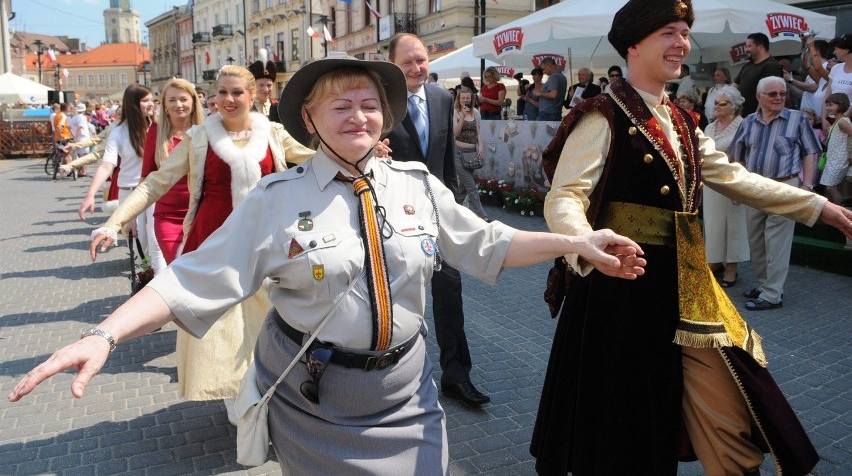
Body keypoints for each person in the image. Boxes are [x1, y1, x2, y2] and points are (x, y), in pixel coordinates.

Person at [8, 56, 646, 476]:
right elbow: (195, 278)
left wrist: (575, 245)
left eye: (368, 104)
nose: (357, 116)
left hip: (409, 395)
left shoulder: (418, 185)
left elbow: (490, 243)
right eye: (338, 106)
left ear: (385, 116)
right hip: (317, 403)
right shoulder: (275, 201)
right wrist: (104, 334)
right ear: (309, 120)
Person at [533, 0, 852, 475]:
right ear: (634, 44)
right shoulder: (604, 113)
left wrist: (819, 206)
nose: (682, 43)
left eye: (685, 33)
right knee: (626, 419)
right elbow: (564, 196)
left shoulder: (681, 119)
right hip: (623, 286)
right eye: (669, 33)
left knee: (732, 395)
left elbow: (735, 176)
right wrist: (587, 243)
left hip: (685, 284)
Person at [87, 66, 314, 421]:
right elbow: (154, 183)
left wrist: (369, 153)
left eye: (236, 92)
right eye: (221, 92)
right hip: (213, 242)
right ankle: (242, 403)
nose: (228, 99)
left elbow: (319, 158)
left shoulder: (271, 133)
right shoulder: (198, 136)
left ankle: (267, 393)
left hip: (270, 242)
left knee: (271, 323)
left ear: (252, 95)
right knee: (223, 329)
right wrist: (114, 222)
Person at [385, 33, 490, 405]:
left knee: (449, 292)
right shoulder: (379, 102)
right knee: (395, 295)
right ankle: (393, 379)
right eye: (407, 62)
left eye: (421, 60)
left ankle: (457, 375)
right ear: (392, 66)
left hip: (435, 213)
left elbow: (445, 158)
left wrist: (452, 204)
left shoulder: (442, 98)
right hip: (391, 217)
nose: (416, 68)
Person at [730, 76, 823, 311]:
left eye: (782, 93)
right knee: (757, 241)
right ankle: (765, 286)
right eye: (773, 94)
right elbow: (737, 156)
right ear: (759, 97)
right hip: (753, 187)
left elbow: (811, 152)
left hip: (784, 187)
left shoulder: (797, 119)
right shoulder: (748, 122)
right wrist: (736, 187)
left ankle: (772, 295)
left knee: (776, 242)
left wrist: (808, 186)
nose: (779, 98)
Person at [78, 85, 155, 259]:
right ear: (133, 104)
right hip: (129, 193)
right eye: (145, 100)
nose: (150, 104)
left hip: (156, 192)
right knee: (140, 244)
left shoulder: (159, 127)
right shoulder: (119, 133)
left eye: (152, 100)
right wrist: (90, 195)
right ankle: (143, 274)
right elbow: (107, 165)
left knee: (157, 242)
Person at [139, 79, 205, 268]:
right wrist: (131, 217)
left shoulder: (206, 130)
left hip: (201, 215)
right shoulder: (156, 131)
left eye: (183, 99)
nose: (178, 105)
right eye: (172, 100)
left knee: (201, 273)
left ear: (193, 102)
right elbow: (146, 175)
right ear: (165, 105)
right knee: (179, 271)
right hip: (168, 216)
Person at [703, 86, 749, 287]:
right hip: (711, 184)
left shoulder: (743, 125)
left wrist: (741, 187)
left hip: (732, 181)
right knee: (713, 224)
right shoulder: (709, 127)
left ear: (734, 106)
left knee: (734, 225)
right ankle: (713, 261)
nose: (717, 106)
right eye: (715, 102)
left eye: (723, 103)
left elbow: (746, 155)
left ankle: (732, 268)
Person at [452, 86, 489, 221]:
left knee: (463, 189)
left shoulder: (476, 113)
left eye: (468, 98)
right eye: (463, 98)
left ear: (472, 98)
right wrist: (462, 115)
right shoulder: (456, 112)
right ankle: (482, 216)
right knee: (471, 186)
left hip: (472, 154)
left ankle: (453, 212)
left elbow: (478, 132)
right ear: (459, 99)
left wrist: (481, 147)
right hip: (459, 153)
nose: (465, 100)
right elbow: (455, 133)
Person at [734, 32, 784, 116]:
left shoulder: (771, 66)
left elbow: (768, 95)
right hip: (743, 117)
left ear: (760, 47)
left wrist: (757, 118)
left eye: (749, 46)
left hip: (759, 119)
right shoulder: (747, 66)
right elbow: (734, 85)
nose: (746, 49)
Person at [818, 93, 852, 205]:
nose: (827, 108)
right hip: (832, 159)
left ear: (840, 105)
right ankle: (829, 214)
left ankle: (840, 210)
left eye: (830, 105)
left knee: (830, 188)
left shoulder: (843, 122)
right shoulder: (837, 122)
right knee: (828, 188)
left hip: (839, 160)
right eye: (827, 105)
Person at [795, 38, 831, 119]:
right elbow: (806, 64)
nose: (808, 54)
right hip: (813, 116)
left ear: (816, 52)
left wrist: (790, 80)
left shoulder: (827, 68)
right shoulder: (814, 68)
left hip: (820, 118)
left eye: (810, 51)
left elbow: (812, 87)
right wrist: (805, 46)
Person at [249, 48, 281, 123]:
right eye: (261, 85)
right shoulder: (245, 108)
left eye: (269, 85)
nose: (266, 89)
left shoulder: (279, 107)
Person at [823, 34, 852, 108]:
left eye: (836, 49)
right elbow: (827, 96)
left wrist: (842, 118)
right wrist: (823, 117)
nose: (834, 52)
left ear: (846, 50)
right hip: (830, 117)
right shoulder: (836, 68)